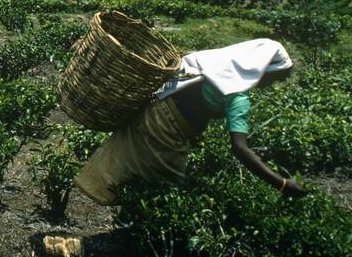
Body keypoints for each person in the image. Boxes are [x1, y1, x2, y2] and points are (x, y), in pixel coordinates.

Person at [74, 38, 307, 205]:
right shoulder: (238, 94)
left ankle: (121, 210)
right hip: (166, 128)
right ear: (262, 70)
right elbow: (240, 148)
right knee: (167, 189)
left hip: (153, 108)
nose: (271, 85)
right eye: (274, 79)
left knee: (130, 159)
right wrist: (282, 183)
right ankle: (139, 233)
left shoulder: (215, 62)